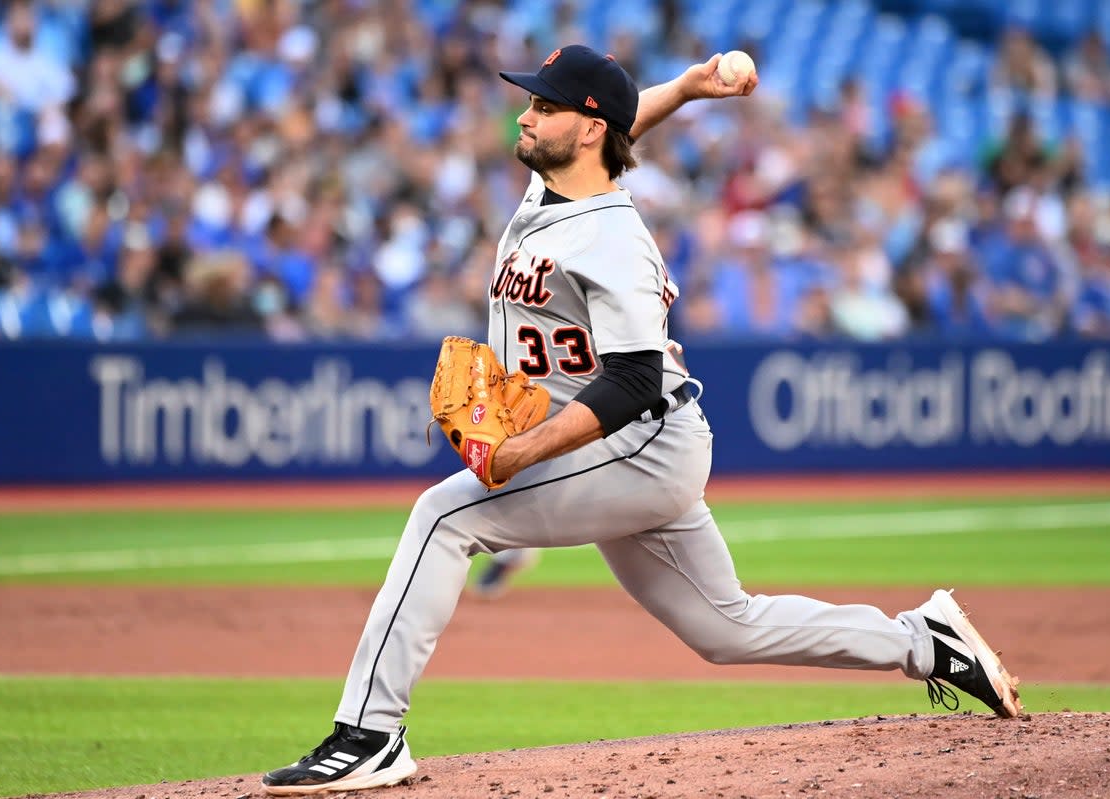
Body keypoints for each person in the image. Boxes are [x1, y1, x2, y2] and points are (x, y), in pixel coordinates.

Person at [262, 45, 1021, 795]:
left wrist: (524, 450)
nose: (524, 117)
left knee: (443, 516)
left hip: (641, 443)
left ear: (585, 130)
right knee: (729, 628)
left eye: (544, 107)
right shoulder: (551, 193)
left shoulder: (614, 240)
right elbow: (625, 121)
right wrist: (687, 88)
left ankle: (369, 733)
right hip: (631, 444)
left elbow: (631, 381)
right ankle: (925, 641)